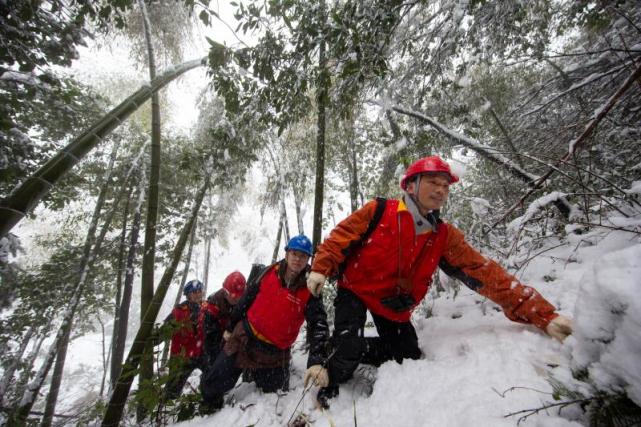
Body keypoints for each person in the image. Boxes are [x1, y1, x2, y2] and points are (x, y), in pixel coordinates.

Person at [306, 156, 574, 408]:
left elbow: (483, 271)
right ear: (411, 185)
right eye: (433, 182)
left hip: (391, 303)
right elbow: (340, 237)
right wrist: (320, 268)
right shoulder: (378, 210)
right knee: (344, 359)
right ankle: (337, 361)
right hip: (355, 290)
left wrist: (543, 315)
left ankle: (350, 346)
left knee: (407, 356)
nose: (441, 190)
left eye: (445, 185)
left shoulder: (443, 235)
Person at [199, 235, 330, 413]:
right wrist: (230, 327)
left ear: (309, 259)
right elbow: (246, 299)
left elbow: (318, 324)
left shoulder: (310, 286)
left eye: (303, 256)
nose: (298, 259)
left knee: (276, 396)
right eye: (294, 253)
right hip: (244, 337)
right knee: (213, 384)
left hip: (274, 352)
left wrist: (316, 360)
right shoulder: (269, 272)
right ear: (287, 254)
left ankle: (254, 375)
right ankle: (209, 412)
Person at [161, 279, 205, 400]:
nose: (198, 294)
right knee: (172, 390)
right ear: (188, 295)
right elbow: (165, 330)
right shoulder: (179, 311)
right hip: (181, 357)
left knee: (213, 375)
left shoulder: (205, 308)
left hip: (201, 353)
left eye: (200, 291)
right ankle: (165, 412)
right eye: (194, 292)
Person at [199, 271, 247, 367]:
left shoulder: (244, 299)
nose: (238, 300)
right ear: (226, 292)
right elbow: (210, 343)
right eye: (234, 297)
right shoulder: (211, 309)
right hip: (215, 349)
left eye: (240, 296)